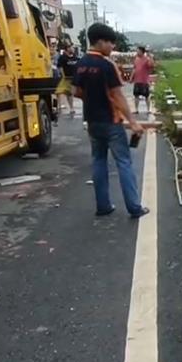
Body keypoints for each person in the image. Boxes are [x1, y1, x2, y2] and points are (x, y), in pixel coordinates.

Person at [72, 23, 149, 218]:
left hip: (92, 121)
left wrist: (93, 100)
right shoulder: (107, 65)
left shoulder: (81, 64)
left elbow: (77, 92)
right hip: (111, 121)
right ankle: (134, 207)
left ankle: (103, 206)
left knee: (98, 160)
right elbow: (118, 96)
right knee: (124, 162)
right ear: (100, 41)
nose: (112, 47)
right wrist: (132, 121)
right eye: (110, 43)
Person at [55, 44, 79, 118]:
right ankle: (58, 106)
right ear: (67, 48)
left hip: (74, 78)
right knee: (59, 92)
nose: (73, 49)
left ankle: (71, 108)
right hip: (66, 78)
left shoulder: (75, 57)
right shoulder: (63, 58)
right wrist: (63, 75)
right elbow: (60, 67)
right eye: (71, 47)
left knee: (70, 94)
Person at [131, 46, 154, 113]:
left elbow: (151, 65)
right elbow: (134, 69)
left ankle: (148, 109)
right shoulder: (136, 59)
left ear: (142, 51)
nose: (137, 52)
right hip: (137, 80)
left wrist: (151, 57)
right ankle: (136, 109)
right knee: (136, 95)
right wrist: (131, 78)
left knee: (147, 96)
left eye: (138, 51)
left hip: (144, 81)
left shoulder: (147, 59)